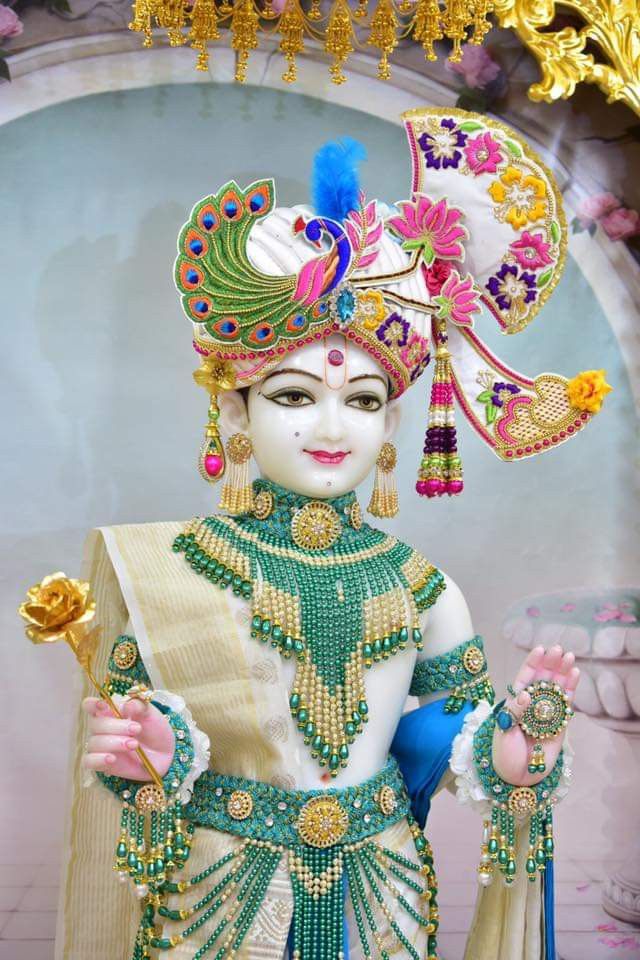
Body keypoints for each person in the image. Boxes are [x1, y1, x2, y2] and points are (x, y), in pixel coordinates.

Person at [56, 107, 610, 960]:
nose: (332, 427)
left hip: (378, 897)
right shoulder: (169, 571)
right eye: (293, 396)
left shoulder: (423, 586)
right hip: (221, 899)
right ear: (233, 407)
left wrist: (509, 751)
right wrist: (149, 755)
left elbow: (433, 738)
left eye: (361, 402)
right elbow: (142, 756)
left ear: (393, 425)